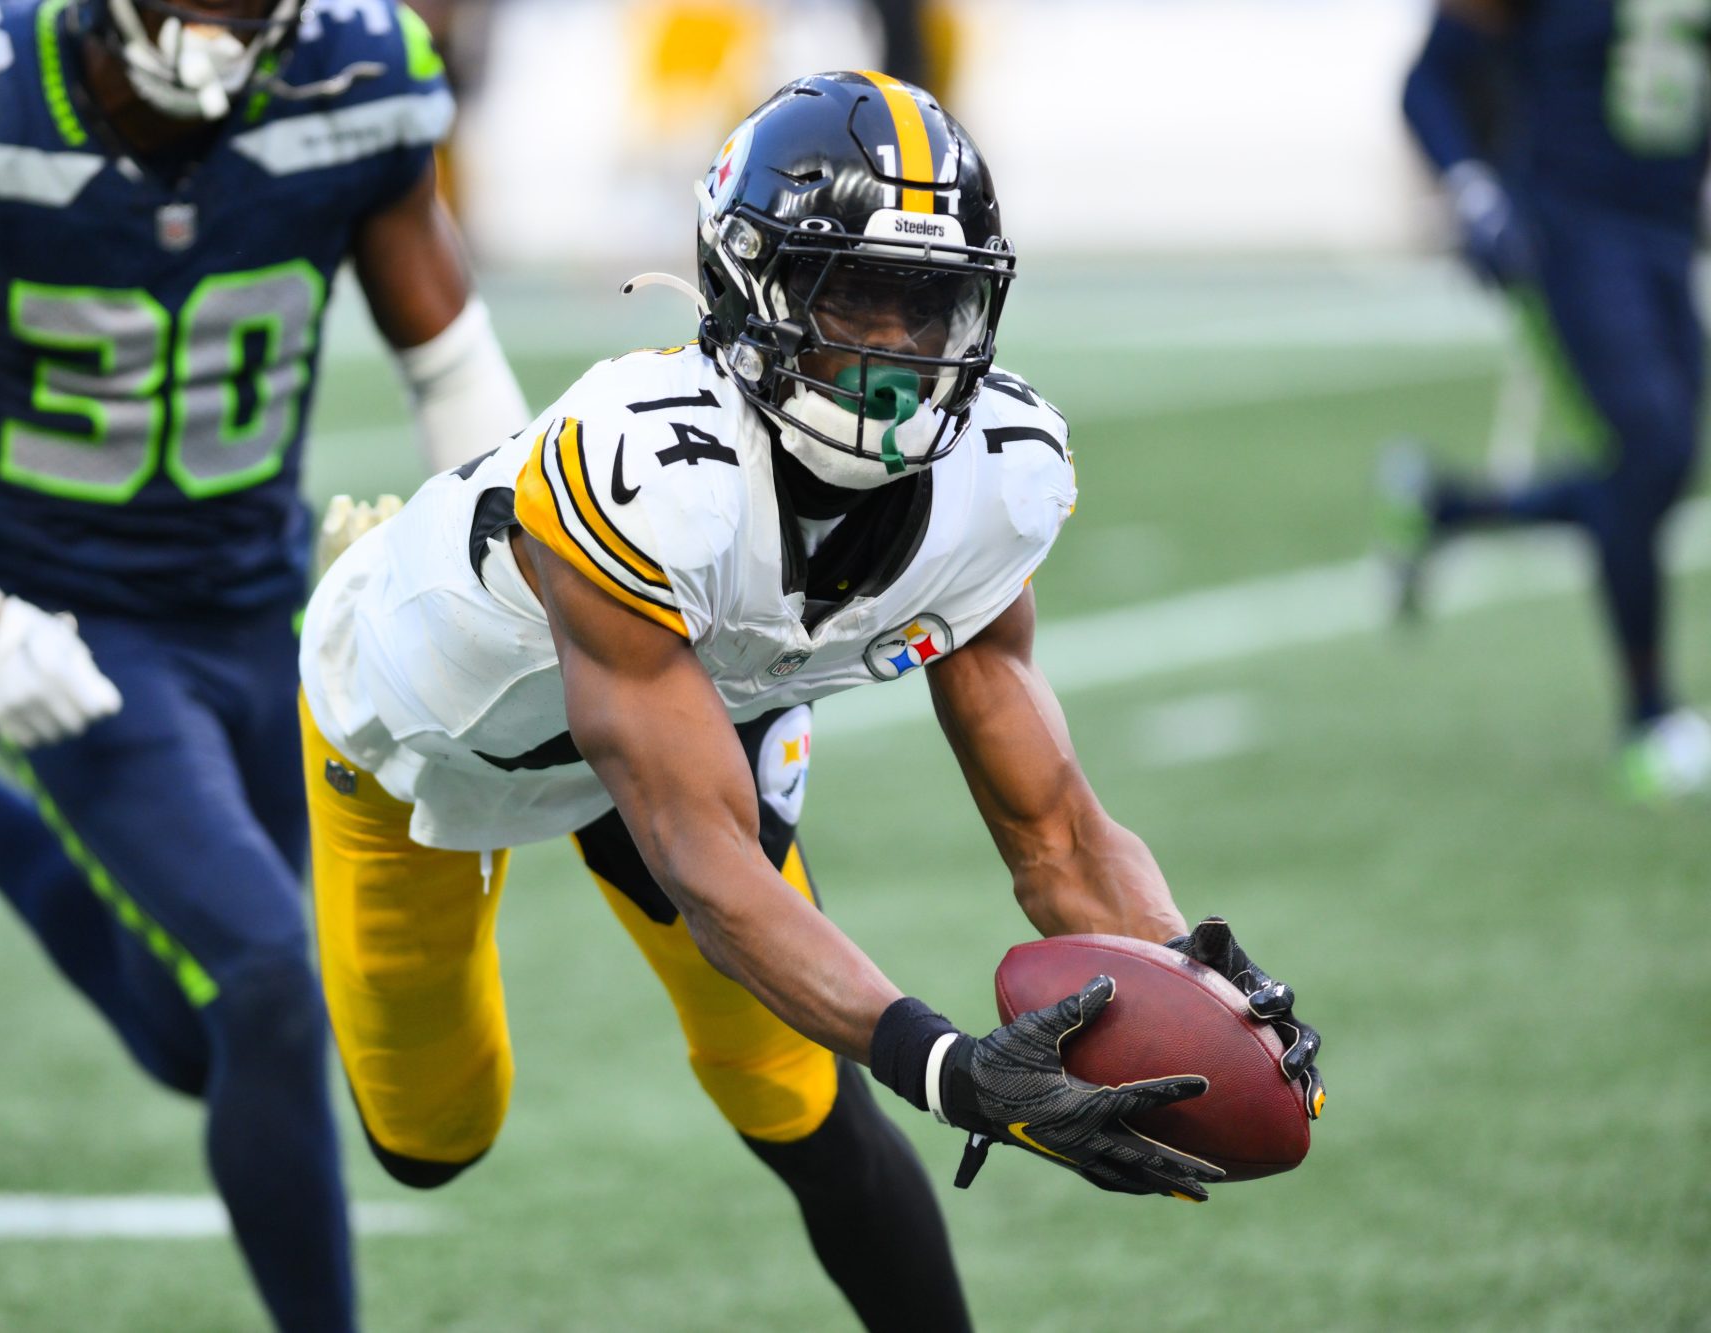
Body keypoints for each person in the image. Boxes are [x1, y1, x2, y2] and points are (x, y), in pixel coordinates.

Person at [296, 72, 1325, 1329]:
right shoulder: (646, 464)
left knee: (798, 1098)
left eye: (931, 301)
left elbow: (1054, 831)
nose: (898, 345)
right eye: (857, 295)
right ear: (750, 285)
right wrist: (945, 1067)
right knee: (432, 1136)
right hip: (433, 741)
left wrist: (1188, 979)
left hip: (699, 710)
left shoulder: (993, 479)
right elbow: (709, 866)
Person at [0, 1, 527, 1328]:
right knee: (267, 984)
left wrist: (502, 565)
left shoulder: (354, 74)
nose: (223, 24)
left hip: (264, 605)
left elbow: (453, 363)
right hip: (64, 627)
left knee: (196, 1037)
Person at [1388, 0, 1711, 799]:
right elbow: (1428, 78)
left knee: (1661, 469)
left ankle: (1448, 509)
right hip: (1572, 228)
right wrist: (1473, 195)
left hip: (1668, 233)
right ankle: (1647, 719)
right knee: (1655, 447)